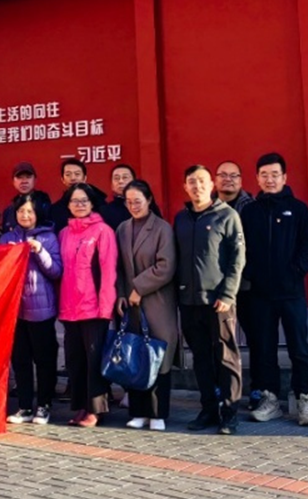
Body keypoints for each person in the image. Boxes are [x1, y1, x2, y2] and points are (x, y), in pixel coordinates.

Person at [242, 152, 308, 427]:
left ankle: (304, 400)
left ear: (284, 177)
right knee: (265, 349)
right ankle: (270, 399)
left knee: (299, 348)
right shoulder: (250, 211)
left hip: (291, 292)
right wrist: (252, 274)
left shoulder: (298, 209)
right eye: (264, 175)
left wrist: (295, 271)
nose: (270, 179)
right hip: (260, 294)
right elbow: (242, 247)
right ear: (257, 178)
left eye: (275, 174)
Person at [174, 164, 245, 434]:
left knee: (226, 357)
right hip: (189, 300)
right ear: (185, 186)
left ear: (212, 184)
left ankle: (229, 412)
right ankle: (208, 409)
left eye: (202, 181)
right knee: (201, 358)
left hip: (219, 301)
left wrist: (228, 293)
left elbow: (238, 258)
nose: (197, 186)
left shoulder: (227, 215)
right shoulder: (181, 218)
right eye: (192, 181)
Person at [114, 180, 177, 431]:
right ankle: (139, 411)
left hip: (157, 302)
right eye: (128, 202)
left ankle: (158, 413)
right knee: (135, 356)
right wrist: (122, 293)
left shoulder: (162, 228)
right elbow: (119, 267)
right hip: (131, 305)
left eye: (137, 201)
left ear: (149, 200)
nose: (133, 206)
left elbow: (166, 266)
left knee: (158, 356)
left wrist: (139, 288)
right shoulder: (122, 228)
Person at [57, 184, 118, 427]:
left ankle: (96, 409)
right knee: (75, 360)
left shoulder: (103, 231)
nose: (79, 205)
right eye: (75, 201)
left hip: (93, 308)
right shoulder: (64, 233)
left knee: (94, 360)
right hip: (69, 307)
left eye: (84, 200)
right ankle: (81, 406)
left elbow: (108, 271)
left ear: (92, 204)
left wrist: (106, 307)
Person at [0, 194, 61, 425]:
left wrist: (40, 251)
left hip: (41, 309)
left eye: (29, 211)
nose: (25, 215)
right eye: (21, 211)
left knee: (44, 359)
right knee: (20, 359)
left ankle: (44, 405)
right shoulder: (7, 238)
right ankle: (24, 406)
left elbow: (56, 271)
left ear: (37, 214)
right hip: (14, 309)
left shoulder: (48, 238)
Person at [215, 159, 256, 406]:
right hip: (217, 288)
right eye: (223, 175)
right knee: (220, 342)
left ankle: (258, 391)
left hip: (248, 285)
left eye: (233, 175)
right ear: (215, 179)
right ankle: (221, 391)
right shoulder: (207, 207)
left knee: (256, 338)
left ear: (241, 180)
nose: (228, 179)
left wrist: (246, 275)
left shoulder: (252, 208)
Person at [50, 158, 107, 231]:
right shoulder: (56, 209)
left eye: (77, 174)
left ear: (84, 178)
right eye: (68, 174)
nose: (73, 178)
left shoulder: (100, 203)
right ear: (62, 179)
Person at [97, 163, 134, 231]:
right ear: (112, 185)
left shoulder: (144, 205)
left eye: (125, 177)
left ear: (134, 182)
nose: (121, 181)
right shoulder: (105, 211)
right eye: (116, 178)